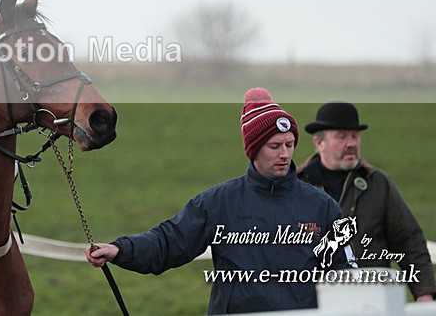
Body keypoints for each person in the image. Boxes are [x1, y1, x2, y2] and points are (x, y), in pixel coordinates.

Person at [86, 88, 350, 315]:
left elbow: (345, 272)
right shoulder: (218, 203)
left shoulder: (322, 207)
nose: (285, 154)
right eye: (274, 146)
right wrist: (121, 250)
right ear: (254, 149)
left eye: (289, 144)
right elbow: (169, 242)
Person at [298, 101, 436, 302]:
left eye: (355, 136)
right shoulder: (297, 186)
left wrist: (425, 293)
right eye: (341, 137)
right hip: (312, 301)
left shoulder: (377, 183)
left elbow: (408, 241)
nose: (351, 143)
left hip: (371, 301)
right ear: (319, 143)